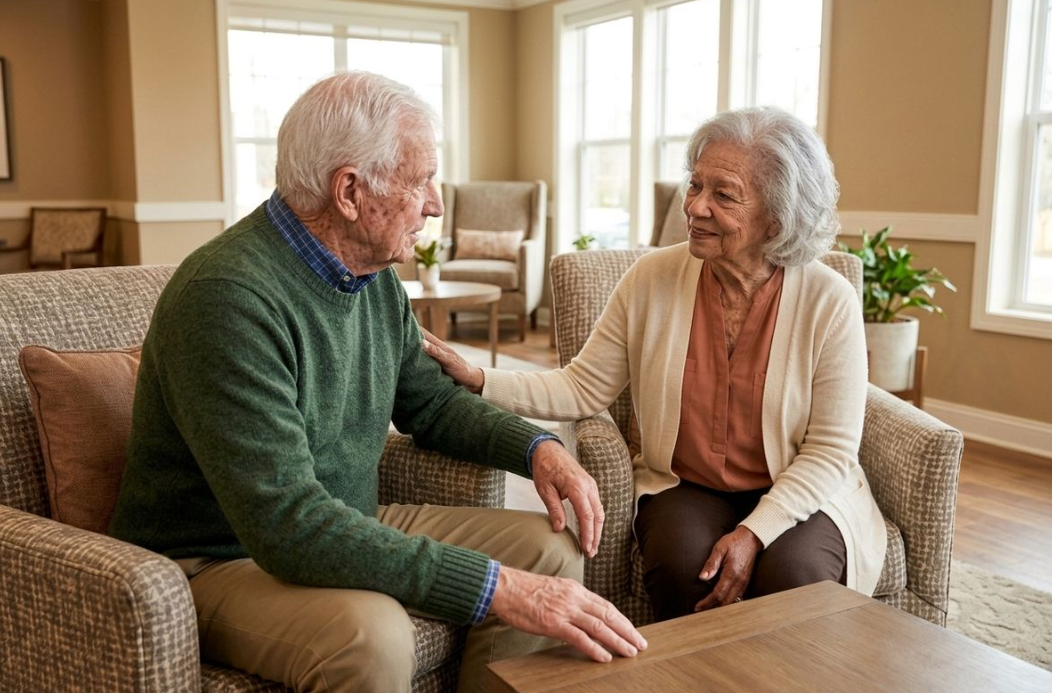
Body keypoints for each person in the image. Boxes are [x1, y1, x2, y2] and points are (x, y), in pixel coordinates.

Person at [108, 71, 645, 693]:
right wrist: (494, 587)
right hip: (213, 559)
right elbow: (288, 524)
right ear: (350, 192)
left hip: (339, 520)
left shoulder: (371, 278)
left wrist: (537, 448)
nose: (436, 204)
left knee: (551, 548)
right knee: (372, 636)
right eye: (421, 181)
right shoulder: (227, 299)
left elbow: (433, 405)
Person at [424, 106, 887, 622]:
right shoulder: (652, 279)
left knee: (794, 579)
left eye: (724, 194)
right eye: (695, 186)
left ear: (777, 216)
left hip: (803, 489)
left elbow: (830, 450)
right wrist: (480, 377)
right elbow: (582, 387)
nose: (695, 207)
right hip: (688, 484)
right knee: (683, 569)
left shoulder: (829, 300)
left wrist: (754, 533)